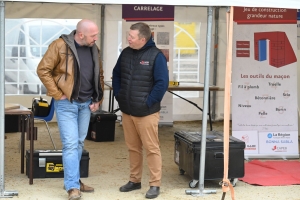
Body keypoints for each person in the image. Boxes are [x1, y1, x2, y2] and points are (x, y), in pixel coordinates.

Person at [37, 19, 104, 200]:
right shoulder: (59, 45)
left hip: (86, 104)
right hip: (67, 104)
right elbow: (43, 70)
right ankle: (72, 187)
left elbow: (99, 74)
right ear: (80, 35)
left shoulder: (94, 49)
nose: (96, 38)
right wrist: (58, 95)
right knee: (71, 145)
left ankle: (75, 179)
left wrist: (98, 98)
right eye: (93, 35)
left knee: (79, 144)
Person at [112, 22, 169, 199]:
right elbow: (117, 75)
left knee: (151, 148)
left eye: (131, 36)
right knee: (133, 148)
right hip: (127, 110)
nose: (128, 38)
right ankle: (135, 180)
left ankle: (155, 184)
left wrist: (148, 102)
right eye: (128, 35)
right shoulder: (126, 53)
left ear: (143, 39)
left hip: (146, 112)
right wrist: (119, 96)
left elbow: (162, 83)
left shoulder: (156, 56)